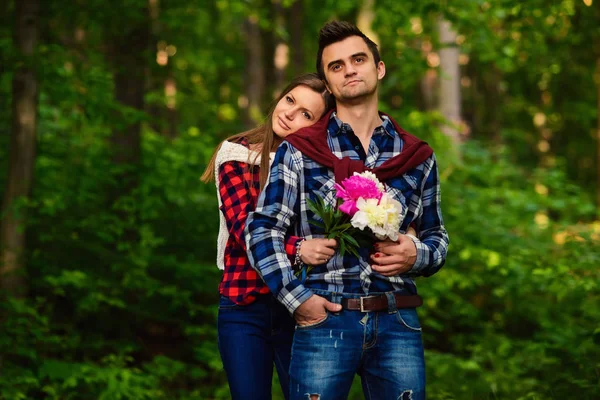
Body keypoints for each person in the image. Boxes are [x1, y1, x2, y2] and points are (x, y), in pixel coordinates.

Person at [246, 21, 449, 400]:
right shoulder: (300, 150)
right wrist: (298, 300)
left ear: (379, 68)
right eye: (335, 66)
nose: (349, 70)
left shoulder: (417, 156)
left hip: (397, 319)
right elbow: (261, 230)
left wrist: (415, 254)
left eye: (358, 59)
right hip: (324, 316)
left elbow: (437, 237)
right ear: (328, 79)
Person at [201, 73, 337, 400]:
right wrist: (299, 248)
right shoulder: (237, 155)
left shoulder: (321, 167)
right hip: (244, 306)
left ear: (318, 125)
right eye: (290, 100)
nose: (290, 113)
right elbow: (244, 227)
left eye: (306, 113)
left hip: (303, 305)